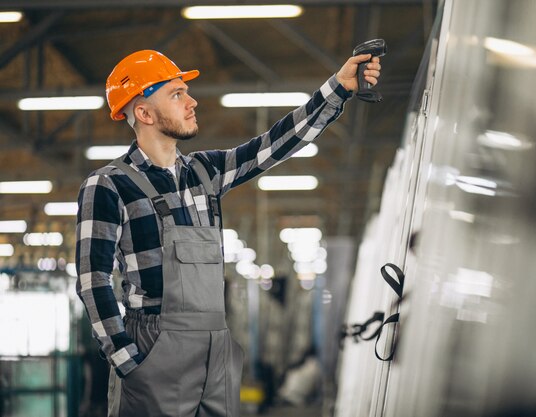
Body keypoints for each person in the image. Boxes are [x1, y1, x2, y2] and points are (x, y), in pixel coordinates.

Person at [75, 49, 381, 417]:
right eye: (176, 94)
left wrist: (339, 89)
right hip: (154, 346)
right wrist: (128, 362)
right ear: (144, 113)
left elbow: (274, 145)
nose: (192, 101)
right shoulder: (109, 185)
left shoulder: (205, 172)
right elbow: (93, 281)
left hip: (214, 345)